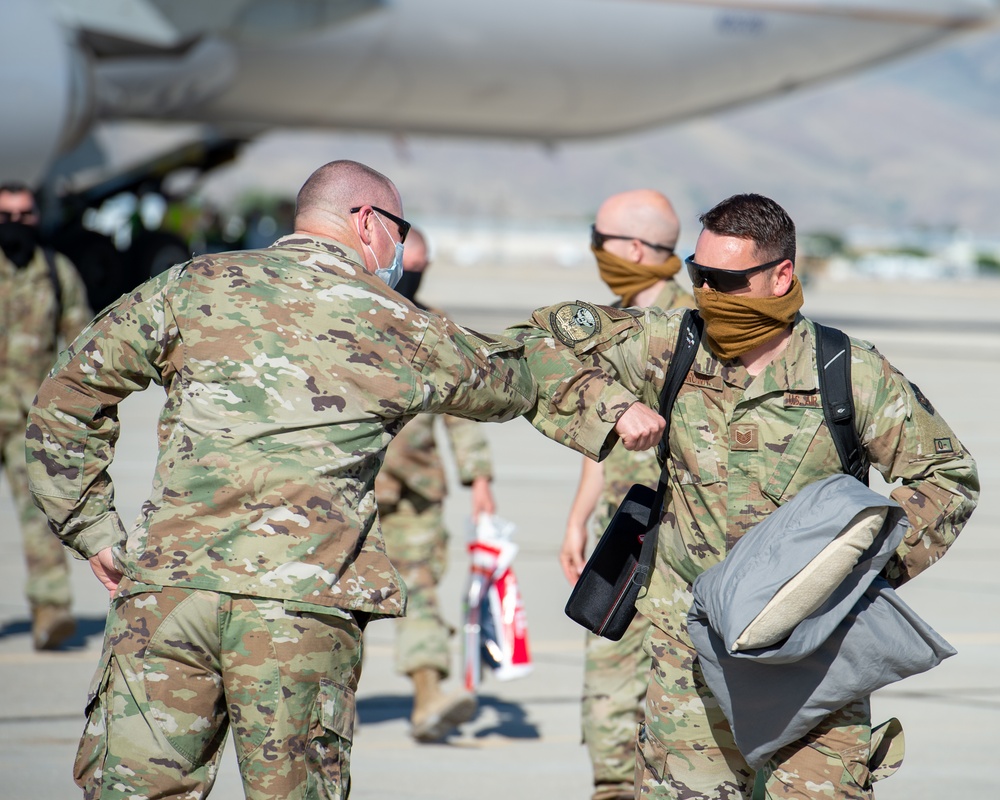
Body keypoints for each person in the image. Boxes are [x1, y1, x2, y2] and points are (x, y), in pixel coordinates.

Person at [24, 160, 554, 800]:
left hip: (168, 596)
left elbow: (65, 397)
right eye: (399, 230)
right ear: (366, 222)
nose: (398, 250)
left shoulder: (193, 284)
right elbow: (508, 384)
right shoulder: (393, 317)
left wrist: (94, 529)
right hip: (296, 610)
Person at [507, 193, 979, 799]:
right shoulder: (671, 348)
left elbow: (947, 477)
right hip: (690, 659)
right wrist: (613, 406)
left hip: (814, 660)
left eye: (725, 280)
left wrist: (853, 574)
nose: (706, 292)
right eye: (696, 275)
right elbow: (539, 338)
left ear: (781, 275)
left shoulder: (848, 372)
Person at [560, 189, 692, 800]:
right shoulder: (614, 321)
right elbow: (602, 436)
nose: (594, 248)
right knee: (607, 656)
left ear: (636, 248)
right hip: (623, 523)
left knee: (675, 674)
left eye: (601, 237)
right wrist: (578, 520)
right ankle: (612, 785)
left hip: (682, 535)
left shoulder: (694, 327)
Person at [374, 227, 495, 742]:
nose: (415, 273)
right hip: (339, 484)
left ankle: (428, 697)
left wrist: (480, 479)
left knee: (417, 589)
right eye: (410, 263)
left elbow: (462, 411)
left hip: (416, 488)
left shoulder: (436, 326)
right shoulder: (350, 311)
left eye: (424, 264)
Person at [0, 181, 92, 650]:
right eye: (6, 215)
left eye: (24, 215)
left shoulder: (57, 273)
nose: (15, 224)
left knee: (40, 512)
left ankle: (50, 610)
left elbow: (82, 343)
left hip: (25, 416)